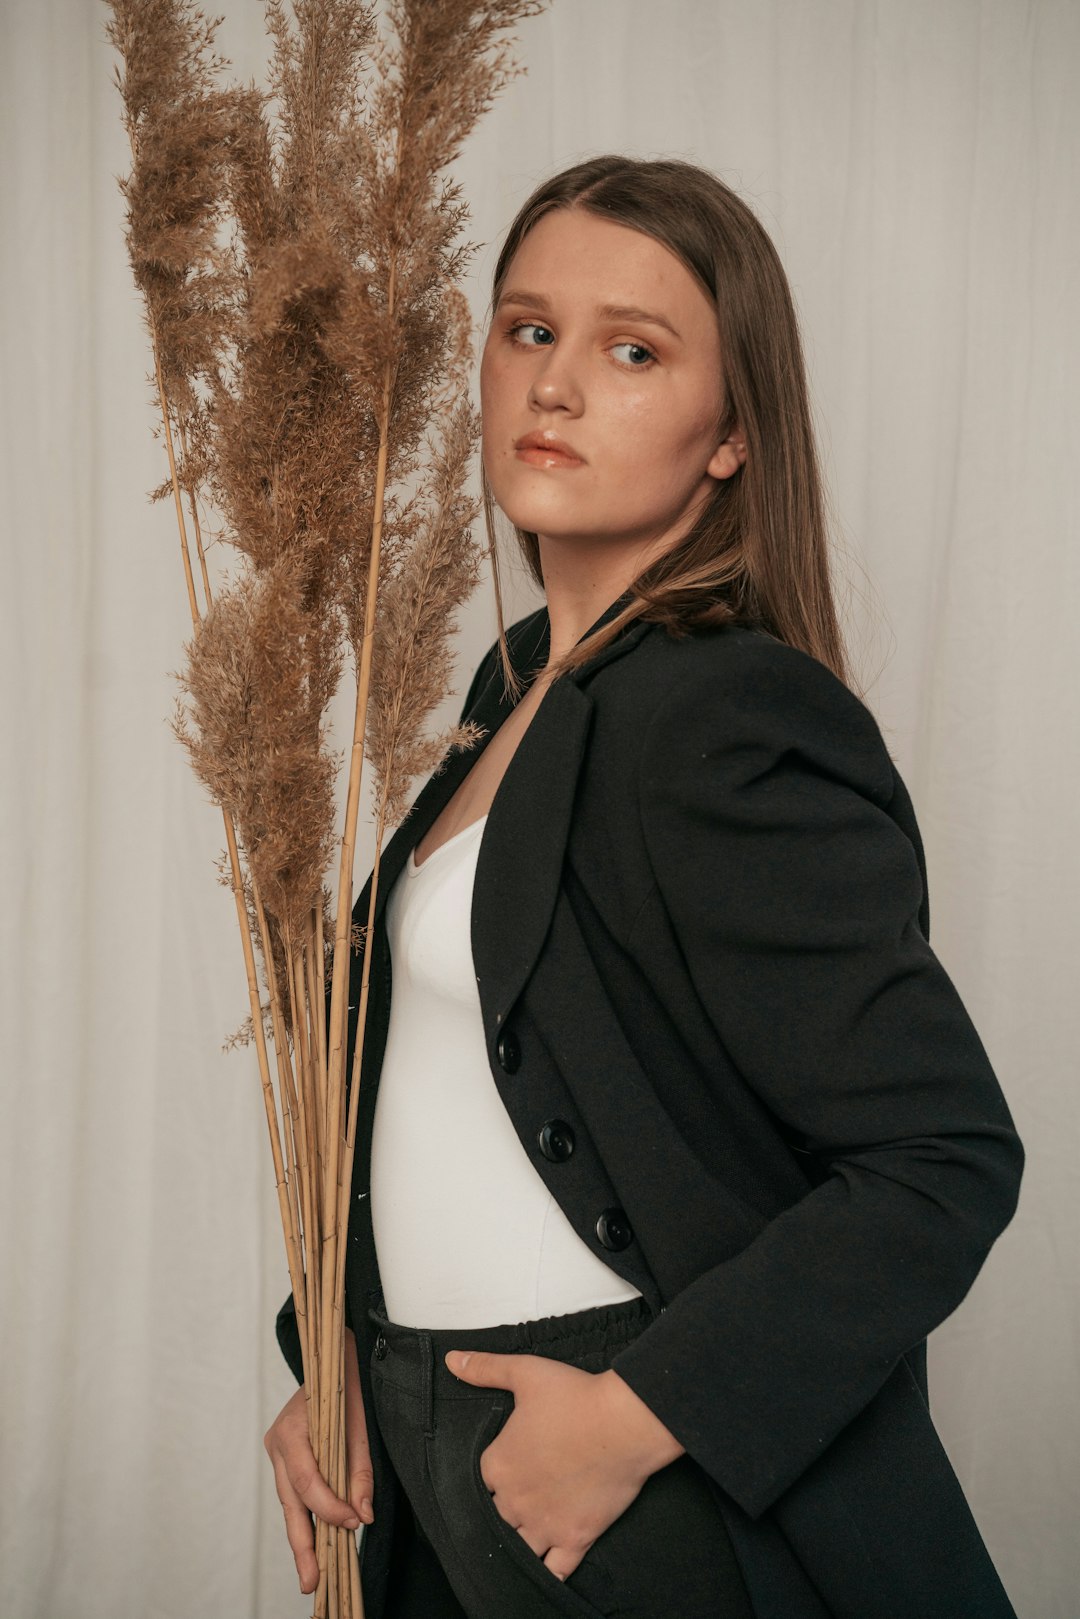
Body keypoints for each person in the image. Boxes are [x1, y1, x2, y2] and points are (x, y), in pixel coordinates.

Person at [263, 155, 1025, 1619]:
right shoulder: (514, 696)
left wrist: (632, 1422)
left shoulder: (726, 712)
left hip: (645, 1480)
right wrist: (335, 1357)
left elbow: (940, 1160)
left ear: (732, 434)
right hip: (428, 1464)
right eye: (528, 329)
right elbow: (440, 1086)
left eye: (633, 350)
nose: (554, 386)